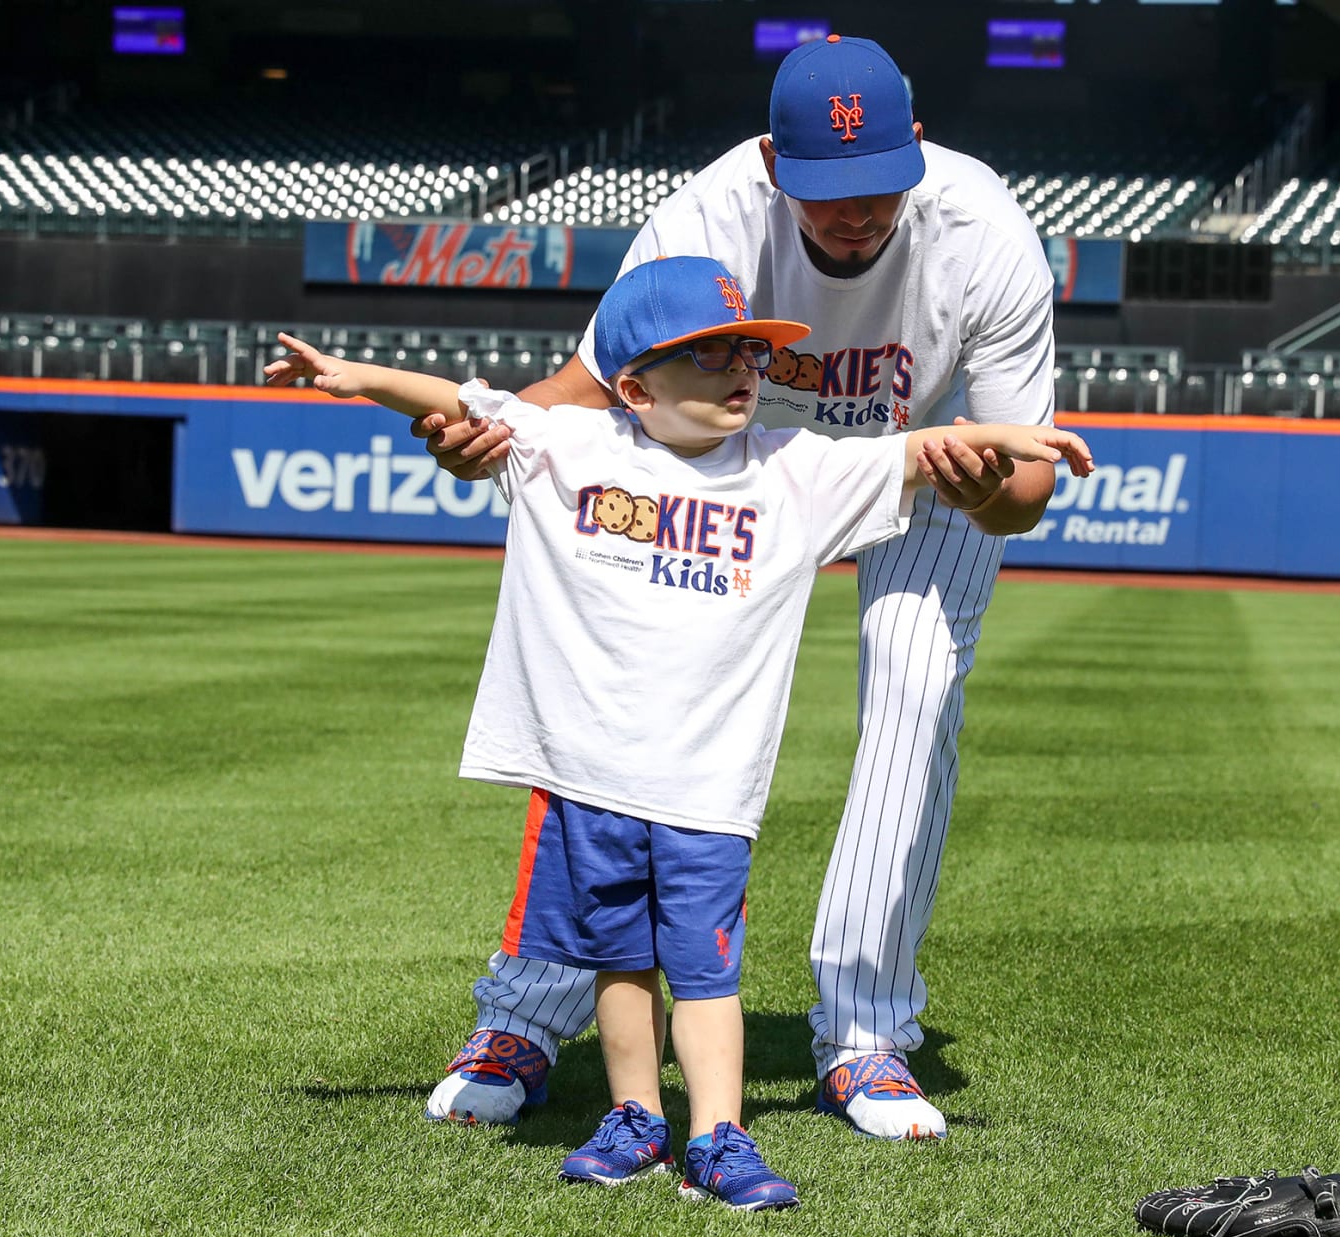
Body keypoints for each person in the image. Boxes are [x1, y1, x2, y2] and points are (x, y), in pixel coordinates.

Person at [264, 256, 1089, 1209]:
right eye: (707, 355)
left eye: (748, 349)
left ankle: (719, 1134)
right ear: (634, 386)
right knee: (620, 963)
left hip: (707, 792)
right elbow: (462, 396)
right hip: (593, 780)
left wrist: (1009, 438)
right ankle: (634, 1116)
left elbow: (915, 449)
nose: (741, 367)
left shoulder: (793, 469)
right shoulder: (568, 447)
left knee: (704, 972)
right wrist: (355, 378)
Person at [415, 34, 1062, 1142]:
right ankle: (528, 1012)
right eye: (824, 194)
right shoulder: (711, 212)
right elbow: (591, 386)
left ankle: (866, 1038)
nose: (854, 214)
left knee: (914, 686)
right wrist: (485, 433)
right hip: (728, 450)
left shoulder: (986, 230)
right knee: (618, 701)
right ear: (772, 162)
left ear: (919, 144)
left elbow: (1030, 486)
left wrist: (984, 480)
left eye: (878, 189)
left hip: (923, 463)